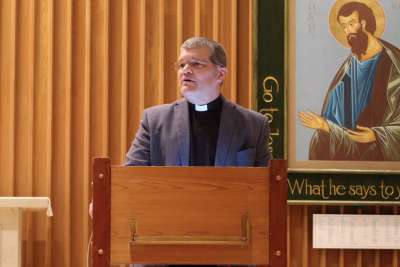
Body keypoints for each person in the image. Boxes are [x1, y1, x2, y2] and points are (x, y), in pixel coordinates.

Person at [126, 36, 271, 167]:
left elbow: (268, 186)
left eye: (196, 64)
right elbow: (131, 178)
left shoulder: (254, 125)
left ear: (220, 74)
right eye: (182, 65)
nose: (186, 71)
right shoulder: (154, 121)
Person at [299, 1, 400, 161]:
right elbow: (336, 118)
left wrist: (377, 135)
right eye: (344, 26)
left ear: (364, 23)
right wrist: (326, 127)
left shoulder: (394, 64)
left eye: (351, 24)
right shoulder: (349, 67)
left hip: (378, 155)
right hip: (349, 149)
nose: (348, 31)